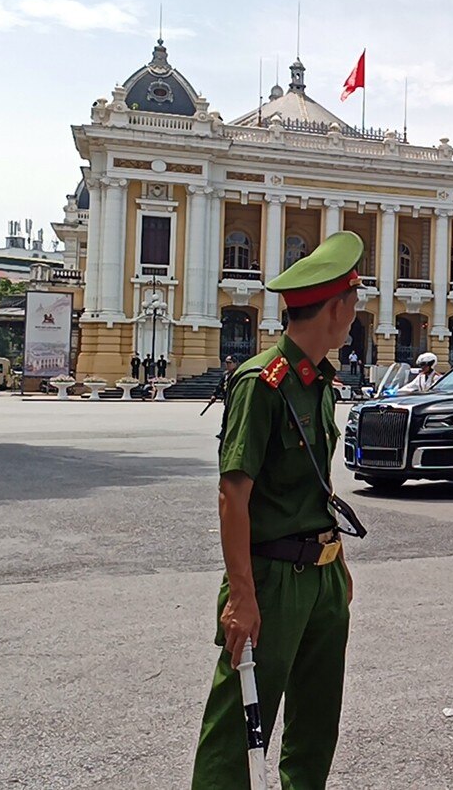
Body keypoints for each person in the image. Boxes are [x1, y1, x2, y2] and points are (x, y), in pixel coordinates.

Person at [191, 231, 366, 789]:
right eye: (355, 301)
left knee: (316, 727)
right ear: (336, 308)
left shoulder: (320, 383)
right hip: (270, 581)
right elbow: (232, 495)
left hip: (320, 578)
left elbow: (315, 484)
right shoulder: (260, 384)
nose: (356, 313)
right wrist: (241, 595)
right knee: (237, 735)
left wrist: (334, 563)